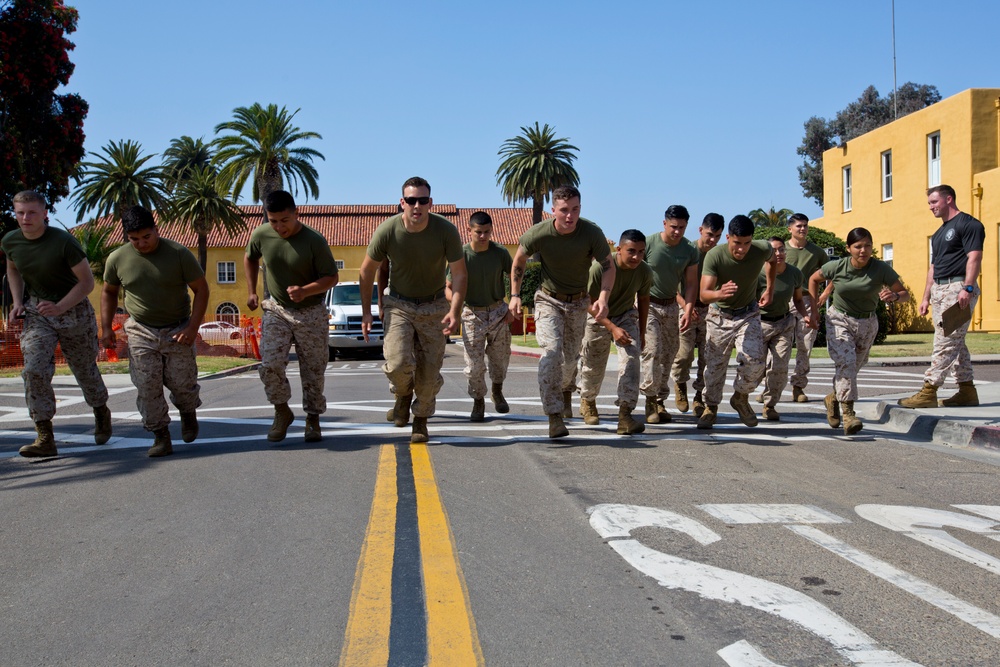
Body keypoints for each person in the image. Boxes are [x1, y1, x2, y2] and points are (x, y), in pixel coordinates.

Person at [2, 190, 111, 457]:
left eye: (32, 213)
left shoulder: (63, 242)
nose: (25, 218)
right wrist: (18, 302)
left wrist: (60, 306)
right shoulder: (11, 241)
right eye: (20, 213)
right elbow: (12, 269)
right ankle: (45, 436)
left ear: (44, 214)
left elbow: (87, 283)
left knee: (84, 369)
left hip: (74, 311)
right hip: (38, 312)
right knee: (34, 369)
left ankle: (100, 410)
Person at [359, 177, 466, 444]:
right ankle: (403, 394)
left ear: (430, 202)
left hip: (434, 305)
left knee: (429, 372)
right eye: (411, 200)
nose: (416, 206)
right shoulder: (387, 230)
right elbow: (366, 271)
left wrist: (455, 310)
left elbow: (460, 273)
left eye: (422, 200)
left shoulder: (446, 230)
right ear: (402, 202)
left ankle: (420, 420)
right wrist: (368, 311)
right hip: (399, 304)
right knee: (396, 363)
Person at [100, 205, 209, 457]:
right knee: (147, 385)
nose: (141, 243)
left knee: (183, 384)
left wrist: (192, 328)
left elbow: (201, 290)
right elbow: (108, 292)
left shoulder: (179, 253)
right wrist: (107, 328)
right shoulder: (118, 258)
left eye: (147, 237)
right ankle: (160, 435)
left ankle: (188, 412)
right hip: (140, 329)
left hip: (178, 327)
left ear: (156, 230)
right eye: (134, 239)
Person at [508, 185, 614, 439]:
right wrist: (514, 296)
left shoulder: (591, 233)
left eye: (575, 210)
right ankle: (554, 415)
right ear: (553, 210)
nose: (570, 216)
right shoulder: (540, 233)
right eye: (564, 210)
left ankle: (567, 390)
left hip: (579, 302)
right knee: (551, 353)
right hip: (548, 299)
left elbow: (608, 265)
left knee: (570, 358)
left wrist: (603, 298)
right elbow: (519, 259)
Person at [245, 190, 339, 443]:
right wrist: (252, 291)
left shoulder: (313, 240)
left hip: (311, 312)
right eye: (273, 220)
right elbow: (250, 258)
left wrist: (305, 290)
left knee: (314, 369)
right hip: (277, 309)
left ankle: (313, 418)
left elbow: (332, 277)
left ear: (296, 213)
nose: (278, 227)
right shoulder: (261, 234)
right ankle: (281, 411)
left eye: (284, 220)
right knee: (270, 363)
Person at [810, 227, 908, 434]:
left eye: (867, 246)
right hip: (839, 319)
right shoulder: (837, 267)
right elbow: (814, 279)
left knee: (854, 367)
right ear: (848, 248)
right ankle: (849, 414)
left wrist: (895, 296)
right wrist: (813, 308)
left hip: (868, 323)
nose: (863, 250)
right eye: (858, 246)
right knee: (847, 362)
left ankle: (833, 398)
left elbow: (903, 292)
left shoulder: (880, 269)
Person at [898, 185, 985, 409]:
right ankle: (967, 390)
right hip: (939, 289)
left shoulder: (969, 224)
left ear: (949, 199)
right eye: (929, 203)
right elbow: (933, 267)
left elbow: (974, 258)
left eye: (934, 202)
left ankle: (929, 390)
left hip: (958, 288)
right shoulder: (938, 234)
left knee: (946, 342)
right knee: (955, 342)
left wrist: (966, 288)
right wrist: (926, 296)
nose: (931, 207)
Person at [697, 215, 776, 430]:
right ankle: (710, 407)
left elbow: (773, 259)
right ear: (728, 237)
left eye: (746, 243)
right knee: (714, 367)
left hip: (748, 313)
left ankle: (740, 397)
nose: (741, 249)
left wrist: (769, 288)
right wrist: (719, 293)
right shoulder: (715, 255)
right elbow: (704, 295)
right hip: (719, 316)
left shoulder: (761, 249)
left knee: (755, 362)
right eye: (737, 243)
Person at [577, 229, 652, 434]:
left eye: (641, 252)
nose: (637, 256)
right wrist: (611, 327)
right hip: (597, 317)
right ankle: (588, 401)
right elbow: (589, 302)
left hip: (626, 315)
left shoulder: (644, 271)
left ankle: (625, 415)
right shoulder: (599, 269)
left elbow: (644, 300)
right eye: (631, 251)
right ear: (618, 249)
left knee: (631, 359)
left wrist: (642, 333)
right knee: (593, 364)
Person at [446, 211, 513, 422]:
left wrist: (513, 304)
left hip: (498, 312)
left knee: (500, 360)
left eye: (486, 232)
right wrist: (455, 306)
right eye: (478, 232)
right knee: (474, 366)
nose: (483, 236)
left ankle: (497, 390)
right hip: (472, 313)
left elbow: (515, 276)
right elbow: (448, 287)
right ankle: (478, 401)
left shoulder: (500, 252)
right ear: (469, 230)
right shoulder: (461, 255)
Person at [639, 205, 698, 425]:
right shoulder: (649, 244)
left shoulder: (690, 250)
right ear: (664, 223)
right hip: (649, 305)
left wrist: (688, 309)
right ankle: (649, 401)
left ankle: (660, 400)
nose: (677, 231)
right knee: (652, 352)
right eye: (673, 226)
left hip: (672, 307)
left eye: (682, 227)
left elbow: (691, 284)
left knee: (669, 354)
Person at [671, 212, 724, 417]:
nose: (712, 240)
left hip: (709, 311)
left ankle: (699, 397)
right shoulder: (686, 251)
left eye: (717, 236)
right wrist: (686, 306)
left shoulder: (718, 255)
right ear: (701, 230)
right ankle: (680, 384)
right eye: (710, 234)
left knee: (707, 357)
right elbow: (672, 286)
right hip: (685, 308)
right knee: (684, 354)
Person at [755, 237, 811, 421]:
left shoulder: (794, 273)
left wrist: (806, 316)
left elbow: (798, 299)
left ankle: (769, 405)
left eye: (781, 250)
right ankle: (746, 394)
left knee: (779, 366)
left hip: (783, 324)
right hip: (759, 324)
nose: (778, 254)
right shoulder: (757, 272)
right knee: (755, 367)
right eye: (773, 251)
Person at [783, 213, 830, 403]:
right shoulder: (780, 250)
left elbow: (832, 274)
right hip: (782, 302)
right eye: (798, 226)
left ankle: (798, 387)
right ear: (790, 229)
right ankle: (771, 386)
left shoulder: (817, 252)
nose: (802, 229)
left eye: (805, 226)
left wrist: (824, 294)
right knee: (778, 348)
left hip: (807, 301)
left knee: (805, 346)